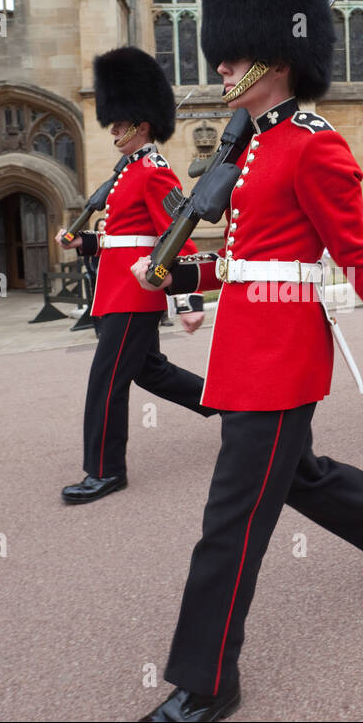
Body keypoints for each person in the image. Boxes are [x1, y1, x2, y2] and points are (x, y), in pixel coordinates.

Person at [131, 0, 363, 722]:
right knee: (296, 477)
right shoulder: (254, 143)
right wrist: (185, 281)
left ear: (276, 52)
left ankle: (207, 681)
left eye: (234, 50)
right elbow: (249, 253)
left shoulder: (313, 144)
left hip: (281, 356)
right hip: (245, 344)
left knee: (229, 521)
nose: (222, 61)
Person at [56, 46, 215, 505]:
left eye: (121, 124)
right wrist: (83, 242)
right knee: (153, 373)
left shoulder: (153, 172)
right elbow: (123, 237)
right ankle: (229, 403)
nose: (114, 131)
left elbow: (176, 230)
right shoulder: (126, 173)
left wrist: (190, 299)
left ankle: (105, 471)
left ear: (142, 125)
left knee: (106, 381)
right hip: (113, 290)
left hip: (135, 294)